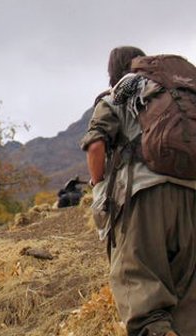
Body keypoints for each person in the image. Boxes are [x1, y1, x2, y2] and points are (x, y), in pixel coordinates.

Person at [81, 46, 196, 336]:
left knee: (143, 300)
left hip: (143, 200)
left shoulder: (119, 94)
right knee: (189, 302)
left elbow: (96, 145)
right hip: (191, 196)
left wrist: (98, 186)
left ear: (112, 73)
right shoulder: (173, 94)